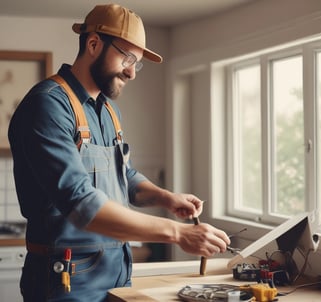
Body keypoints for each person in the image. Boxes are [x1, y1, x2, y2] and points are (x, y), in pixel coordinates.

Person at [8, 4, 230, 302]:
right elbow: (81, 203)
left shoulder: (109, 112)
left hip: (116, 273)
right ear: (93, 44)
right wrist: (178, 234)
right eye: (127, 58)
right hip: (65, 281)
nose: (131, 72)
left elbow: (123, 175)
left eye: (137, 64)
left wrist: (165, 198)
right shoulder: (48, 106)